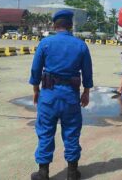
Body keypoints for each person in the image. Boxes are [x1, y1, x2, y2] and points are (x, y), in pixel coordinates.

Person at [29, 10, 93, 180]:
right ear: (70, 25)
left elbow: (36, 70)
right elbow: (87, 72)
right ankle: (72, 173)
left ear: (54, 25)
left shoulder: (45, 43)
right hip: (71, 97)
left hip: (48, 95)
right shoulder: (80, 45)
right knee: (71, 132)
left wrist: (36, 90)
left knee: (45, 132)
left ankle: (43, 173)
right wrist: (86, 92)